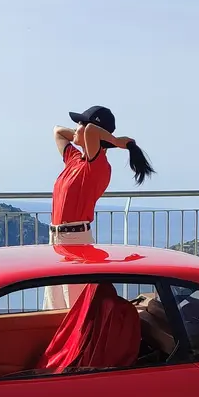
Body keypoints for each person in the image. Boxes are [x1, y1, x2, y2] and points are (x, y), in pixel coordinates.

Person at [45, 105, 154, 308]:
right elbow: (57, 131)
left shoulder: (97, 166)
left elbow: (91, 131)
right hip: (57, 239)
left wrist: (114, 142)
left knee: (74, 305)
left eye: (80, 123)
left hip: (75, 240)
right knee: (55, 304)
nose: (76, 127)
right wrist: (88, 137)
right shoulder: (75, 160)